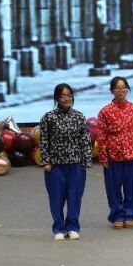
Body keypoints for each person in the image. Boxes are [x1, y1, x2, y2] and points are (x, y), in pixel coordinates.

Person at [38, 83, 92, 240]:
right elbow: (44, 141)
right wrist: (46, 162)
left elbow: (85, 141)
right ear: (56, 98)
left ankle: (73, 227)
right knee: (56, 198)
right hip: (55, 166)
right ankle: (58, 228)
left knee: (75, 197)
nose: (66, 99)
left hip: (76, 165)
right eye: (63, 96)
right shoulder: (48, 117)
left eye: (69, 96)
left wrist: (86, 162)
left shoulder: (79, 117)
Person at [97, 76, 133, 229]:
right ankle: (117, 214)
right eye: (117, 88)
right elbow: (102, 136)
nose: (121, 91)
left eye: (124, 87)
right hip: (113, 155)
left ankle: (130, 214)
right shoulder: (105, 111)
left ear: (127, 89)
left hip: (132, 155)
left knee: (131, 187)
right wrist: (103, 156)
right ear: (112, 90)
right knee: (114, 188)